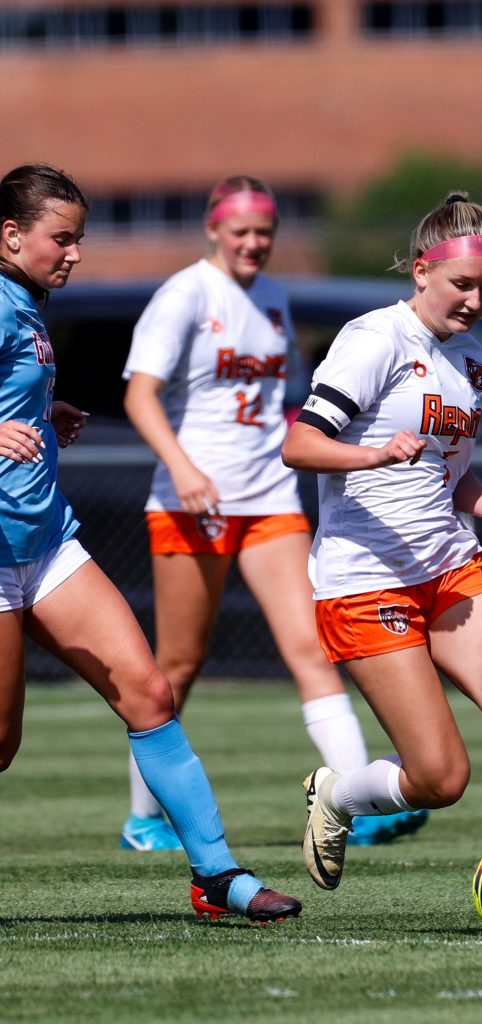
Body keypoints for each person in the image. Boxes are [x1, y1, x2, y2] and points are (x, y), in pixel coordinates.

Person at [281, 190, 482, 940]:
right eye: (462, 284)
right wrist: (371, 454)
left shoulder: (472, 358)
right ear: (422, 270)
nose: (476, 301)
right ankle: (338, 796)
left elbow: (444, 473)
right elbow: (299, 444)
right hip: (366, 581)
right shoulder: (373, 340)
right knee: (440, 779)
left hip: (450, 567)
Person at [0, 162, 300, 924]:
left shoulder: (25, 303)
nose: (75, 253)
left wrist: (41, 413)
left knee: (150, 692)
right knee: (0, 742)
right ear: (10, 236)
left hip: (46, 542)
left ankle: (216, 875)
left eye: (79, 238)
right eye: (61, 239)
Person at [120, 174, 427, 852]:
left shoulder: (274, 298)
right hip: (192, 501)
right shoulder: (184, 294)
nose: (253, 243)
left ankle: (355, 802)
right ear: (213, 230)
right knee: (177, 664)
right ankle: (142, 820)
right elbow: (139, 395)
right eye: (241, 231)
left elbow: (284, 401)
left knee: (311, 649)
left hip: (268, 498)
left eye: (264, 232)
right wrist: (183, 468)